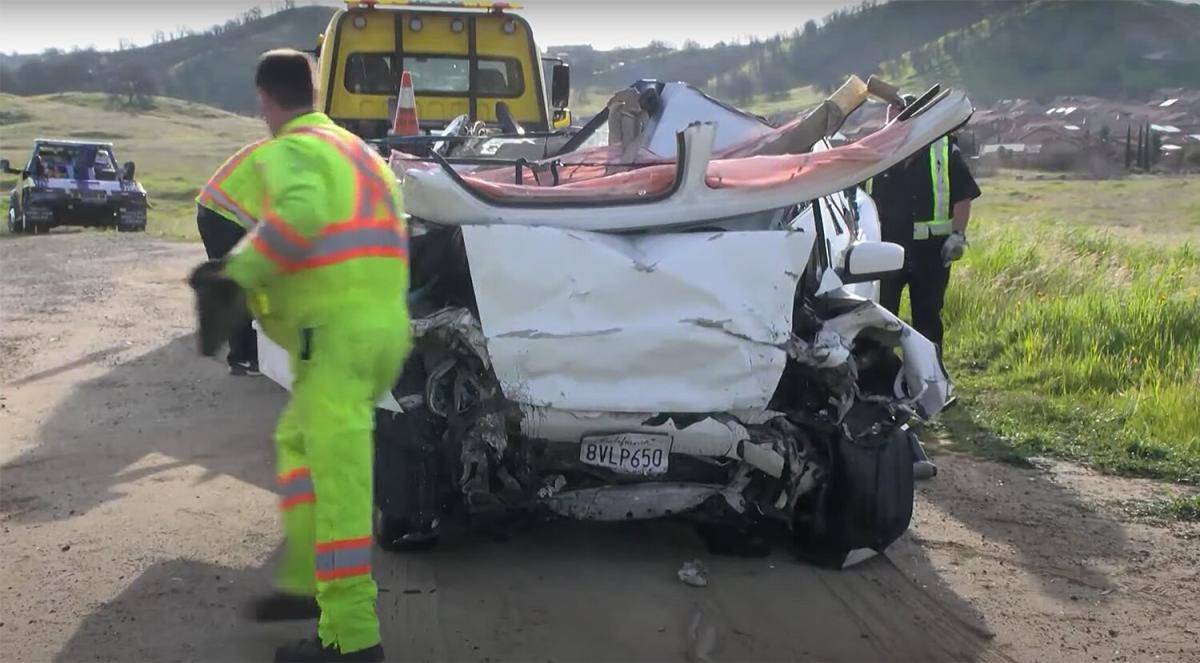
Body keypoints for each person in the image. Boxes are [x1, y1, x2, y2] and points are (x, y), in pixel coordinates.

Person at [190, 49, 411, 662]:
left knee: (338, 482)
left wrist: (238, 275)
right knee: (298, 446)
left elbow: (302, 216)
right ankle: (306, 589)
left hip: (337, 338)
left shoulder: (291, 150)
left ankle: (354, 642)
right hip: (381, 331)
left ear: (265, 99)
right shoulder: (362, 155)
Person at [867, 95, 981, 361]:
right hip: (885, 250)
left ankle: (929, 379)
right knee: (878, 317)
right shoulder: (879, 151)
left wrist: (958, 236)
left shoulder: (943, 150)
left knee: (927, 320)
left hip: (931, 253)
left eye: (903, 118)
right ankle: (879, 378)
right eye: (894, 119)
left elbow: (963, 195)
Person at [195, 138, 269, 375]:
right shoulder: (293, 160)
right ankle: (242, 358)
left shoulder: (283, 147)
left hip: (216, 211)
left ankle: (245, 354)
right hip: (224, 217)